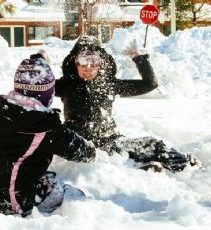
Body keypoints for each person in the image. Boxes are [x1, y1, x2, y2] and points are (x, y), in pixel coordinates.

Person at [55, 35, 200, 172]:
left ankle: (187, 166)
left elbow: (150, 84)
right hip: (80, 144)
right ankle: (132, 170)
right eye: (83, 61)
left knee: (152, 145)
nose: (88, 68)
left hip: (111, 142)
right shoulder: (66, 85)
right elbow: (37, 89)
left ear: (101, 62)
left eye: (93, 61)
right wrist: (38, 69)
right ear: (75, 62)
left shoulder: (109, 85)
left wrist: (140, 59)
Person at [0, 55, 96, 216]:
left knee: (40, 174)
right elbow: (82, 151)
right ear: (46, 94)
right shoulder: (44, 127)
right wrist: (92, 149)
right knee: (73, 195)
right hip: (14, 199)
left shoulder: (3, 113)